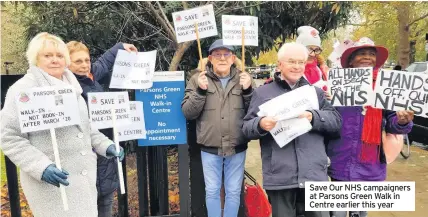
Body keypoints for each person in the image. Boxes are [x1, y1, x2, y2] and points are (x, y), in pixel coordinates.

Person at [0, 32, 124, 217]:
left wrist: (107, 145)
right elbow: (9, 137)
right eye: (47, 55)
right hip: (52, 186)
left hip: (84, 182)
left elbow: (86, 128)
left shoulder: (72, 87)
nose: (54, 60)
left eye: (59, 55)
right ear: (35, 58)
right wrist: (41, 167)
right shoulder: (22, 90)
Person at [242, 42, 342, 217]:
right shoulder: (262, 93)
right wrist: (260, 124)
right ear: (280, 64)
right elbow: (246, 128)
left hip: (314, 175)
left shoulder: (316, 93)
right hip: (280, 176)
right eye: (291, 61)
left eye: (301, 62)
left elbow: (336, 123)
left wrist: (314, 116)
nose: (297, 66)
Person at [327, 37, 414, 217]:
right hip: (340, 159)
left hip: (370, 162)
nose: (367, 57)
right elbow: (328, 121)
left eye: (371, 54)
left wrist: (402, 121)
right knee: (337, 214)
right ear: (350, 60)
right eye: (362, 54)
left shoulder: (385, 86)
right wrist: (326, 101)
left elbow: (392, 122)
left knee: (359, 213)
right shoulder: (336, 86)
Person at [181, 39, 254, 217]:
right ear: (210, 59)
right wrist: (200, 91)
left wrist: (248, 90)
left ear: (233, 58)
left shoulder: (244, 78)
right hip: (209, 147)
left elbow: (255, 111)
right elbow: (188, 112)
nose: (222, 58)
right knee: (212, 190)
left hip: (237, 146)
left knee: (234, 191)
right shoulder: (198, 79)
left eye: (226, 54)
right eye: (217, 54)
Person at [66, 41, 137, 217]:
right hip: (86, 155)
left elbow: (103, 63)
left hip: (105, 153)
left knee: (105, 201)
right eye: (78, 61)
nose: (84, 65)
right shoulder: (66, 86)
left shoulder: (90, 75)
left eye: (86, 60)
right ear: (67, 63)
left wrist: (120, 46)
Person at [296, 25, 329, 90]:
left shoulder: (321, 66)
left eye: (316, 50)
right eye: (309, 49)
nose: (313, 54)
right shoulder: (291, 69)